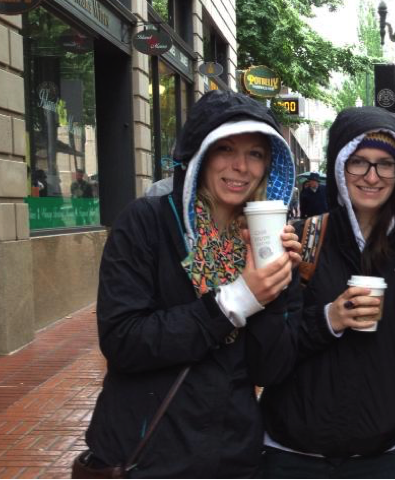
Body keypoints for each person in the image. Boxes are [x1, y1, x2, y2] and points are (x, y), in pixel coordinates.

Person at [83, 90, 302, 478]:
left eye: (255, 153)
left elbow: (269, 370)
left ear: (269, 165)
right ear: (200, 155)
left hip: (231, 456)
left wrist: (275, 288)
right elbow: (123, 341)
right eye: (226, 149)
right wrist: (236, 300)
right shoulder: (145, 223)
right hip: (145, 454)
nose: (240, 166)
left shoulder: (269, 241)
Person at [247, 106, 395, 479]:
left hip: (378, 459)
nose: (372, 176)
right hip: (291, 456)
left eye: (386, 164)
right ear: (339, 168)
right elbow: (267, 356)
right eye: (358, 163)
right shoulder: (300, 241)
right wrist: (328, 320)